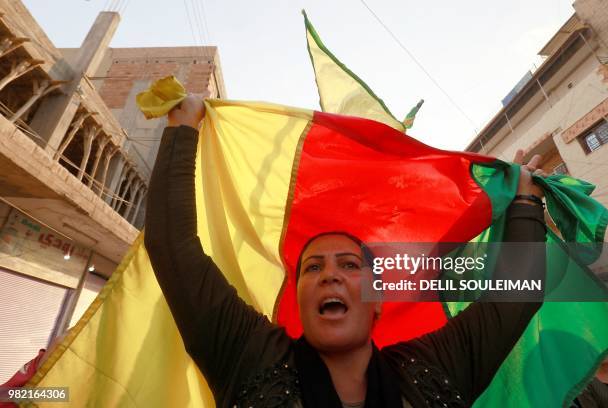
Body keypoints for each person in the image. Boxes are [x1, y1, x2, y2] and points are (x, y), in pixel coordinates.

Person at [144, 96, 547, 408]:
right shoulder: (247, 354)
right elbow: (172, 248)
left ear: (377, 302)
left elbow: (514, 296)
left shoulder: (432, 369)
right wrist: (183, 127)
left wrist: (527, 204)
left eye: (350, 265)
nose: (329, 275)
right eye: (312, 267)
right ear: (298, 298)